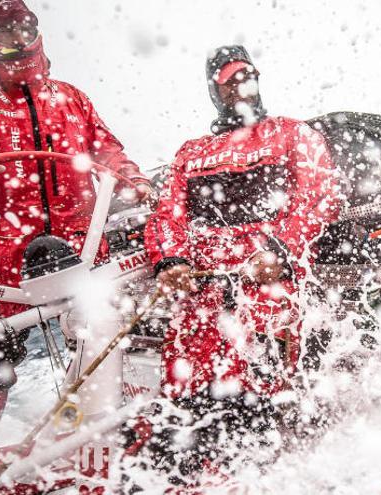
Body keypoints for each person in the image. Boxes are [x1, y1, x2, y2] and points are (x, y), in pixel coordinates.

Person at [0, 0, 153, 478]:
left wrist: (135, 181)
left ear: (36, 30)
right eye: (2, 30)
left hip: (81, 251)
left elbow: (108, 152)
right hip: (2, 260)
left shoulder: (72, 97)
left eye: (22, 27)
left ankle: (112, 432)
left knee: (103, 342)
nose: (15, 39)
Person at [138, 45, 340, 486]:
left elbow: (319, 196)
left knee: (254, 397)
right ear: (215, 89)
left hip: (267, 291)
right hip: (201, 299)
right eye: (229, 80)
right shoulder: (191, 153)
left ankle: (251, 475)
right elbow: (167, 216)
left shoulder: (291, 134)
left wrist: (280, 251)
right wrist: (170, 260)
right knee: (184, 401)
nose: (240, 86)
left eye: (246, 76)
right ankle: (180, 475)